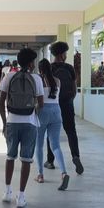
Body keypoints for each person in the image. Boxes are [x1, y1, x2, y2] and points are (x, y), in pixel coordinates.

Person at [0, 48, 44, 208]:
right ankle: (21, 196)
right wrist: (32, 110)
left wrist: (5, 123)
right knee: (26, 160)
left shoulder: (9, 76)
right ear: (31, 63)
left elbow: (1, 102)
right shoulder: (37, 79)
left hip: (12, 121)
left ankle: (7, 192)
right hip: (30, 123)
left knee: (10, 157)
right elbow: (41, 103)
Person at [44, 41, 84, 175]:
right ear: (62, 54)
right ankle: (75, 156)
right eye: (66, 53)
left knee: (51, 133)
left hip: (53, 105)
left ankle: (50, 161)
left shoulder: (49, 68)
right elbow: (74, 89)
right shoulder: (69, 68)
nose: (66, 55)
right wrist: (69, 101)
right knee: (71, 131)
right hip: (67, 104)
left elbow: (46, 88)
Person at [34, 59, 70, 190]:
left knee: (39, 145)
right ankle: (64, 172)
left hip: (43, 112)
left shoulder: (39, 81)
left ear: (40, 69)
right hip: (56, 111)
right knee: (55, 145)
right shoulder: (58, 81)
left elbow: (38, 100)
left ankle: (40, 174)